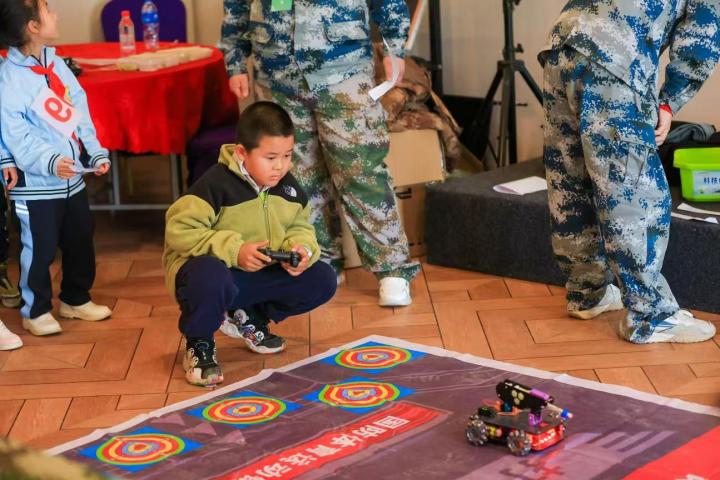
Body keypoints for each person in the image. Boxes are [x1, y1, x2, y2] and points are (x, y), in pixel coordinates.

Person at [219, 0, 421, 307]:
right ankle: (321, 257)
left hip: (344, 71)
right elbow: (236, 4)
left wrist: (394, 48)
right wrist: (235, 61)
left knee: (360, 171)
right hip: (276, 76)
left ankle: (392, 268)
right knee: (297, 177)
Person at [540, 0, 720, 343]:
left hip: (563, 46)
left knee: (570, 177)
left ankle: (588, 291)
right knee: (634, 189)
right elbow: (700, 40)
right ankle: (651, 315)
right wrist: (669, 102)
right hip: (614, 57)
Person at [163, 102, 337, 386]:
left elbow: (300, 226)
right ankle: (199, 343)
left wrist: (301, 249)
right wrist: (234, 250)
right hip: (209, 277)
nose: (280, 166)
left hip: (254, 276)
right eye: (270, 157)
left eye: (287, 156)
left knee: (322, 278)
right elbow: (178, 231)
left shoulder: (289, 186)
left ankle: (249, 315)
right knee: (211, 275)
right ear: (242, 153)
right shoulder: (214, 184)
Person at [0, 0, 113, 337]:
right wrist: (49, 161)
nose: (56, 15)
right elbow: (15, 135)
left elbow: (80, 112)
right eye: (49, 10)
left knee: (81, 240)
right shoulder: (8, 80)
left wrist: (93, 152)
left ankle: (75, 299)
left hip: (73, 182)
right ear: (33, 27)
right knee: (40, 250)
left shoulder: (57, 65)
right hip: (36, 186)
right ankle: (35, 311)